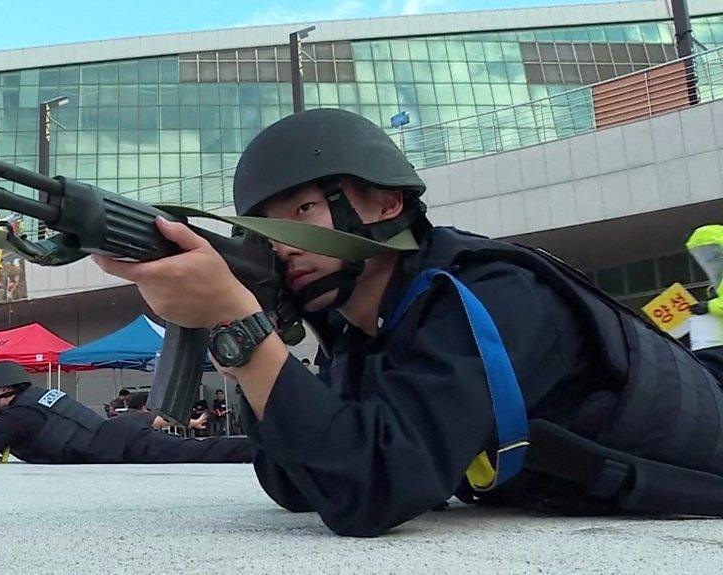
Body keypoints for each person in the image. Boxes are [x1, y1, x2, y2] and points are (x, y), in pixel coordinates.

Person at [93, 108, 723, 536]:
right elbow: (299, 481)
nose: (281, 245)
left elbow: (371, 488)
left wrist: (240, 324)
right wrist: (253, 326)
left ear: (388, 202)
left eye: (304, 208)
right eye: (265, 227)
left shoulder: (485, 294)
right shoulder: (370, 329)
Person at [0, 360, 251, 464]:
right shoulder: (31, 402)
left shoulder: (18, 417)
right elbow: (36, 426)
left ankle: (262, 448)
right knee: (195, 450)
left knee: (199, 452)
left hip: (120, 442)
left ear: (0, 391)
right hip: (120, 430)